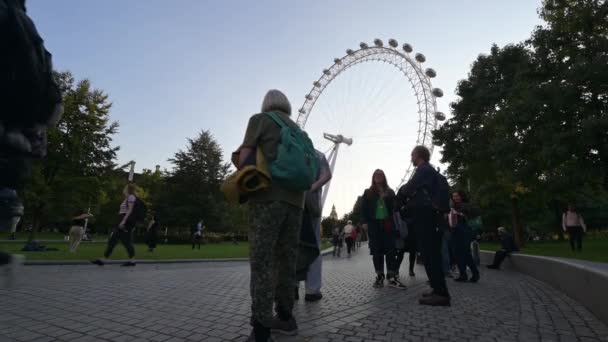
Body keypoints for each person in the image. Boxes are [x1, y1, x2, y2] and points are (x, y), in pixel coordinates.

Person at [238, 90, 305, 341]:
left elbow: (246, 157)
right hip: (296, 203)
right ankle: (286, 318)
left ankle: (262, 328)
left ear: (266, 104)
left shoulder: (261, 120)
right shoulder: (299, 131)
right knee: (287, 261)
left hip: (267, 200)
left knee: (262, 262)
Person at [397, 146, 450, 306]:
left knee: (431, 255)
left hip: (428, 218)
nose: (410, 158)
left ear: (418, 155)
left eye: (412, 154)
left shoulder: (423, 170)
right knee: (428, 254)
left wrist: (401, 192)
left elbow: (409, 188)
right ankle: (437, 289)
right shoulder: (428, 171)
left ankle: (441, 294)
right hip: (429, 218)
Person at [361, 169, 406, 290]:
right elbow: (363, 208)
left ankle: (391, 276)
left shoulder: (390, 192)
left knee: (390, 250)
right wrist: (364, 222)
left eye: (380, 174)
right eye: (375, 174)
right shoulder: (368, 192)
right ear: (373, 177)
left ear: (384, 177)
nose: (378, 176)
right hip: (374, 224)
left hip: (388, 224)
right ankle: (379, 275)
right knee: (377, 251)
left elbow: (395, 207)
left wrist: (389, 198)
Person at [301, 150, 331, 302]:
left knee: (290, 244)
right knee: (314, 245)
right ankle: (312, 290)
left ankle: (290, 287)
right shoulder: (317, 154)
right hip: (312, 203)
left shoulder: (286, 146)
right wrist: (313, 187)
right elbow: (327, 175)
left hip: (290, 202)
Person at [91, 184, 138, 267]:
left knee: (126, 241)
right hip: (122, 220)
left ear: (128, 189)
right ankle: (103, 259)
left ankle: (132, 261)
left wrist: (124, 221)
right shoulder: (127, 198)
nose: (123, 189)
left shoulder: (131, 197)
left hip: (126, 222)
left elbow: (130, 210)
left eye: (125, 188)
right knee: (113, 240)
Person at [449, 191, 480, 283]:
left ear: (462, 196)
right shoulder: (452, 207)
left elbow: (472, 215)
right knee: (457, 254)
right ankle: (463, 274)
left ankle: (475, 273)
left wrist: (461, 214)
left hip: (464, 232)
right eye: (454, 196)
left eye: (457, 196)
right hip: (455, 232)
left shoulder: (466, 205)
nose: (455, 198)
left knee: (466, 253)